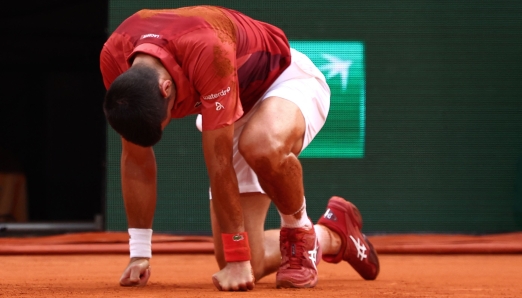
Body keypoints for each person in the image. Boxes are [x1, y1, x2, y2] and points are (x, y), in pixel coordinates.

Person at [100, 5, 379, 291]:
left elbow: (219, 165)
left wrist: (237, 259)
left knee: (260, 144)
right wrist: (139, 253)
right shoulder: (114, 58)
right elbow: (136, 160)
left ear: (165, 88)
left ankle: (299, 233)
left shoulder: (209, 50)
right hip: (233, 104)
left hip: (283, 82)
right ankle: (334, 234)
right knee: (251, 262)